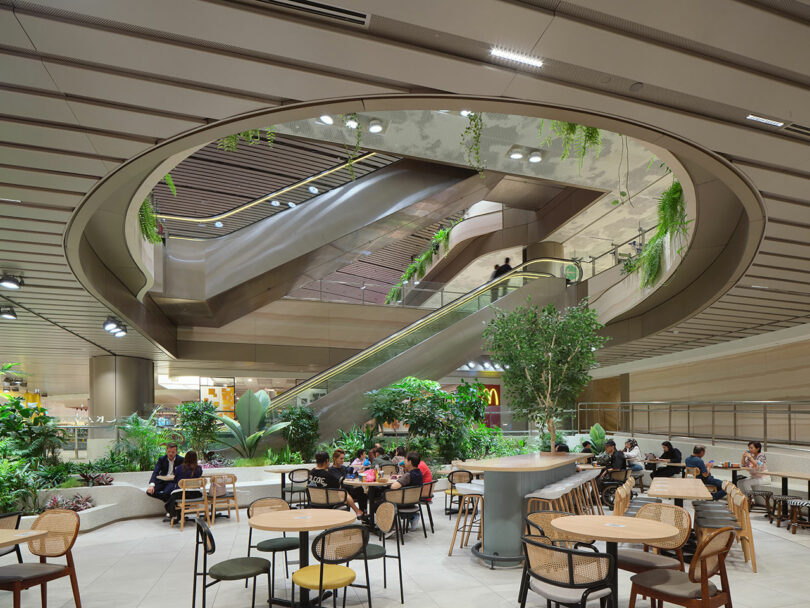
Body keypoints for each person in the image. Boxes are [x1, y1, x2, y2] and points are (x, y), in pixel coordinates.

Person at [309, 451, 363, 516]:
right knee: (344, 492)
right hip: (328, 503)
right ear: (327, 460)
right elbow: (338, 490)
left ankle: (357, 511)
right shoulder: (329, 475)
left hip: (314, 502)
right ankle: (357, 511)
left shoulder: (311, 472)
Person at [164, 450, 201, 523]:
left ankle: (175, 515)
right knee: (174, 497)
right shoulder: (199, 469)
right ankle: (178, 515)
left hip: (182, 493)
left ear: (186, 458)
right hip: (195, 494)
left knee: (172, 497)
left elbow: (176, 481)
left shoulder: (179, 468)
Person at [146, 443, 184, 507]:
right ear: (166, 451)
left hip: (173, 482)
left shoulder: (181, 460)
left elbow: (183, 473)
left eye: (173, 452)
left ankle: (169, 505)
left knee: (166, 493)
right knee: (149, 492)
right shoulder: (161, 459)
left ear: (176, 452)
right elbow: (156, 472)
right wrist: (152, 485)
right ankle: (169, 503)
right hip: (162, 481)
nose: (170, 454)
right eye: (169, 452)